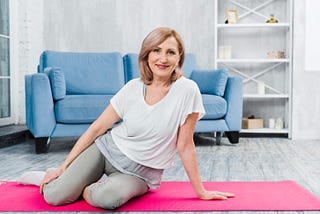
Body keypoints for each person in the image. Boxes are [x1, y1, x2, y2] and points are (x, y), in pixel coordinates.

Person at [39, 27, 234, 209]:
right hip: (106, 150)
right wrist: (64, 167)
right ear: (147, 54)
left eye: (170, 52)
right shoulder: (133, 87)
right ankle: (55, 177)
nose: (162, 58)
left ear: (179, 57)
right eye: (156, 50)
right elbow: (97, 128)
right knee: (54, 196)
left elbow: (185, 145)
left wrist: (201, 191)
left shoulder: (187, 90)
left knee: (108, 199)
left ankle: (83, 186)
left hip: (139, 173)